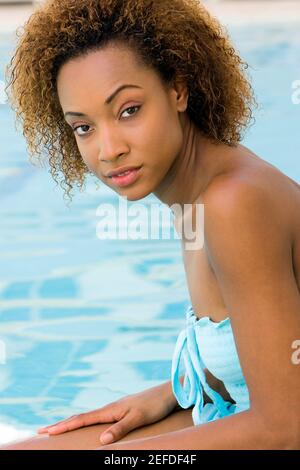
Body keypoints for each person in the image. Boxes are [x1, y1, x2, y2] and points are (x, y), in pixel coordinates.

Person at [2, 0, 300, 450]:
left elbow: (286, 429)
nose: (109, 148)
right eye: (83, 127)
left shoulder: (233, 203)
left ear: (178, 90)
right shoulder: (197, 195)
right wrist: (172, 391)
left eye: (128, 110)